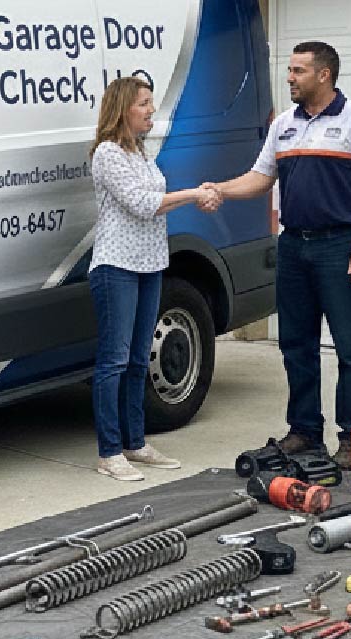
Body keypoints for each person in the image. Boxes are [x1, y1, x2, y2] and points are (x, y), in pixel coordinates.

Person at [204, 41, 351, 467]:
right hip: (293, 246)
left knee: (350, 347)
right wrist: (220, 189)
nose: (289, 77)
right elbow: (260, 177)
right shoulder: (284, 124)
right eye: (290, 70)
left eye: (298, 71)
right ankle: (305, 431)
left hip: (339, 246)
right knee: (295, 344)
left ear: (323, 74)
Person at [88, 77, 221, 481]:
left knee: (137, 359)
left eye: (151, 103)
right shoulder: (108, 155)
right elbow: (143, 205)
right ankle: (109, 452)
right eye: (144, 104)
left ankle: (135, 443)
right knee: (113, 360)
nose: (151, 111)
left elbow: (153, 202)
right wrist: (195, 194)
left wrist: (201, 195)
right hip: (117, 267)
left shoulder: (142, 154)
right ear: (123, 109)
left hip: (149, 265)